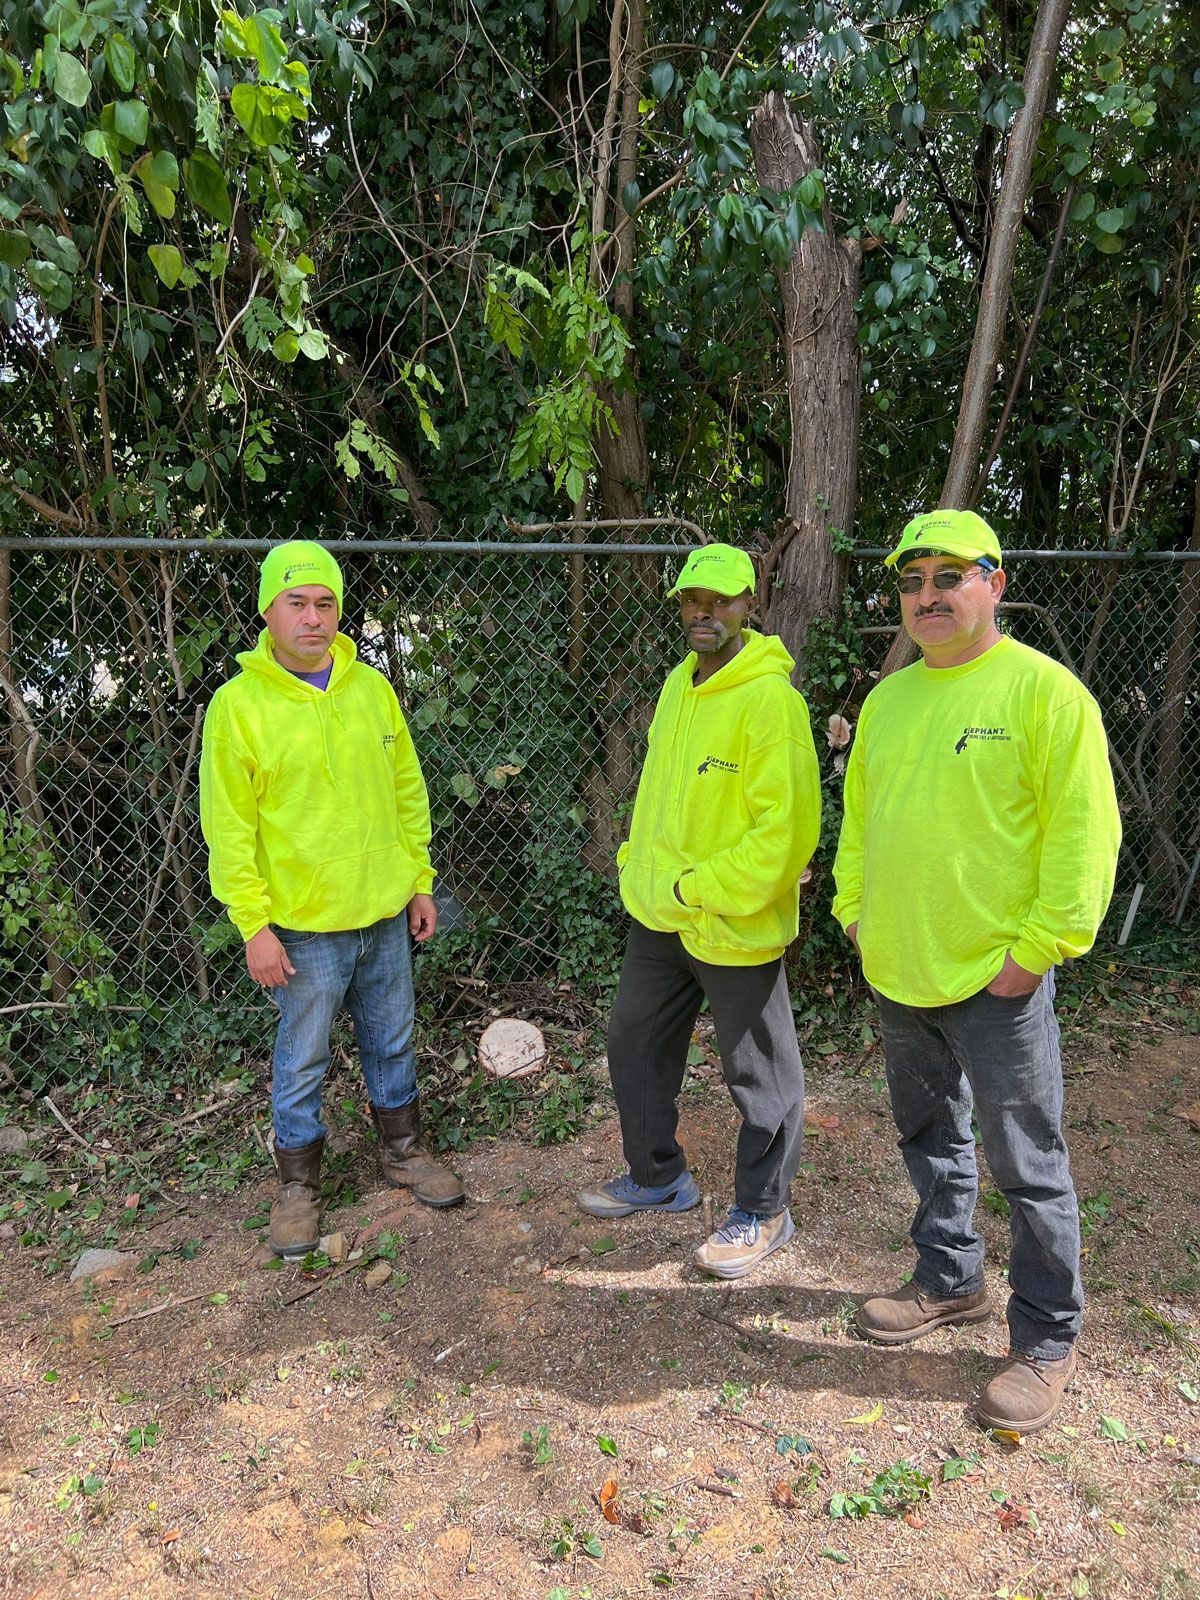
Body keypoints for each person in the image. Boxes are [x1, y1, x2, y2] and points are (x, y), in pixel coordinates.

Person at [832, 509, 1121, 1433]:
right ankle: (951, 1280)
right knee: (930, 1137)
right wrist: (853, 912)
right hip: (900, 968)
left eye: (949, 577)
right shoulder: (889, 701)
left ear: (994, 583)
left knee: (1026, 1161)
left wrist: (1035, 951)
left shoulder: (1046, 694)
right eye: (913, 581)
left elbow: (1085, 837)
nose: (928, 596)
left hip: (997, 983)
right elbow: (861, 823)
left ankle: (1045, 1337)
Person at [200, 541, 463, 1259]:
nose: (312, 618)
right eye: (296, 603)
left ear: (339, 612)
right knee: (303, 1057)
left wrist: (419, 880)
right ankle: (298, 1187)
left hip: (382, 913)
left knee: (392, 1038)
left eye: (324, 603)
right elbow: (229, 828)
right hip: (304, 928)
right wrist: (253, 924)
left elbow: (407, 790)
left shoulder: (370, 689)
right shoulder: (238, 707)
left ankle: (402, 1152)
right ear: (267, 610)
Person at [578, 543, 822, 1280]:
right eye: (691, 600)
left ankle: (764, 1209)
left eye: (719, 600)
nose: (703, 613)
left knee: (760, 1075)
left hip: (730, 920)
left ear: (752, 606)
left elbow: (785, 836)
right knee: (634, 1043)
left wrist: (697, 888)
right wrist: (637, 869)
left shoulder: (771, 702)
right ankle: (659, 1178)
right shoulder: (677, 687)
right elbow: (657, 799)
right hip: (660, 917)